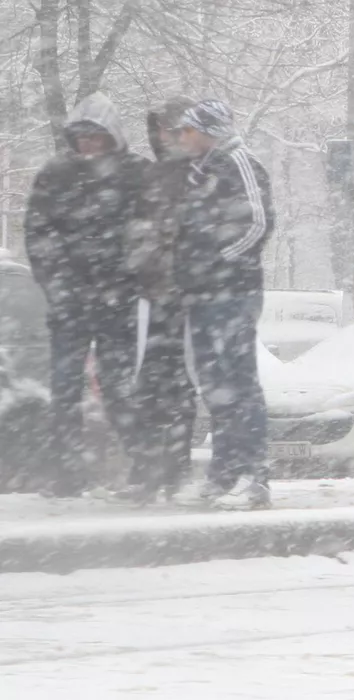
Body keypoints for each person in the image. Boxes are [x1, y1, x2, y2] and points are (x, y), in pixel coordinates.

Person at [23, 92, 149, 497]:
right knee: (64, 388)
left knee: (118, 386)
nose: (88, 145)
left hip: (118, 303)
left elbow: (150, 233)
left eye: (96, 137)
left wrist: (127, 279)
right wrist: (58, 283)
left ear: (112, 137)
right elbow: (39, 233)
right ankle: (66, 470)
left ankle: (142, 465)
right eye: (82, 138)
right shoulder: (55, 175)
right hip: (70, 302)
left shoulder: (136, 175)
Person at [168, 100, 275, 509]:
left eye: (188, 130)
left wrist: (219, 262)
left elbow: (259, 223)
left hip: (233, 293)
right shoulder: (201, 172)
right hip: (202, 295)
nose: (182, 137)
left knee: (241, 383)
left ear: (208, 130)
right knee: (215, 387)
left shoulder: (240, 163)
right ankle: (225, 471)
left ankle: (257, 473)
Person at [110, 96, 200, 504]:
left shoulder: (198, 173)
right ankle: (147, 468)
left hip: (184, 297)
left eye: (174, 128)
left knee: (179, 387)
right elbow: (138, 229)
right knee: (147, 386)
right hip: (150, 295)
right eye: (162, 129)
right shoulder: (154, 175)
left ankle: (175, 469)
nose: (167, 136)